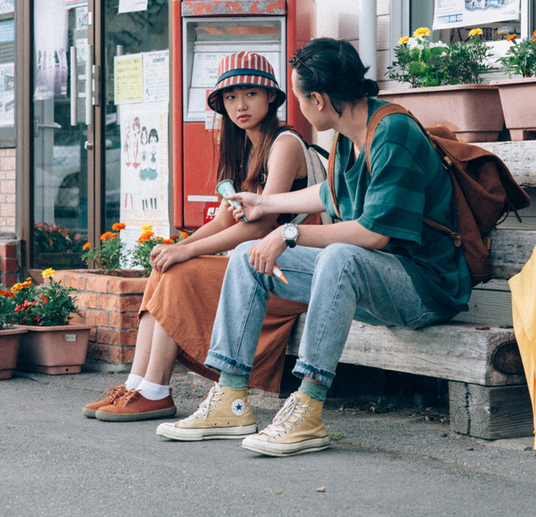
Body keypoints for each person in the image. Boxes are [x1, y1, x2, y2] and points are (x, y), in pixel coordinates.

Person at [154, 38, 472, 454]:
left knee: (341, 255)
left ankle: (307, 407)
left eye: (300, 96)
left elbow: (373, 234)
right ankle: (231, 398)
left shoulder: (392, 133)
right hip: (374, 280)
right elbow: (330, 193)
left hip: (424, 290)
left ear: (318, 99)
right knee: (248, 260)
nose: (299, 108)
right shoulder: (349, 134)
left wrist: (288, 234)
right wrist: (264, 203)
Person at [84, 51, 312, 422]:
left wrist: (186, 255)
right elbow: (225, 221)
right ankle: (136, 385)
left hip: (285, 270)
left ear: (271, 96)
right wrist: (178, 247)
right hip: (254, 263)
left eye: (250, 94)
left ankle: (157, 390)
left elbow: (259, 227)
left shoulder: (284, 144)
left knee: (182, 272)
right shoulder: (241, 149)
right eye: (231, 97)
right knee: (164, 268)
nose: (240, 105)